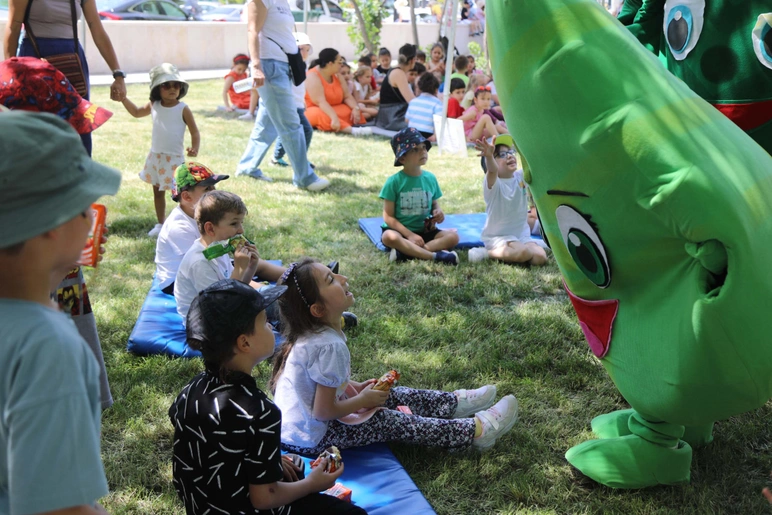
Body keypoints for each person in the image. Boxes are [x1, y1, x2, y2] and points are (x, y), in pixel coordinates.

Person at [271, 258, 519, 454]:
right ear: (318, 309)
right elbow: (323, 412)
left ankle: (455, 404)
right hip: (312, 438)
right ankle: (475, 431)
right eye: (331, 279)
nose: (343, 278)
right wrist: (362, 400)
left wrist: (357, 389)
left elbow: (320, 387)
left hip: (302, 430)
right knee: (386, 420)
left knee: (393, 395)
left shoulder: (315, 335)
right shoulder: (327, 345)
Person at [0, 112, 121, 515]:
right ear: (53, 223)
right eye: (84, 205)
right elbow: (62, 509)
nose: (91, 217)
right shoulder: (47, 347)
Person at [169, 279, 365, 515]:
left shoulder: (191, 390)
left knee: (294, 467)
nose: (272, 326)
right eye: (264, 322)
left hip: (203, 507)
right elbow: (264, 498)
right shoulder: (260, 412)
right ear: (244, 342)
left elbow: (214, 449)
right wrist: (314, 484)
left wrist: (269, 463)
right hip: (248, 508)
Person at [3, 0, 127, 156]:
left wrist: (117, 73)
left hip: (72, 62)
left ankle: (79, 176)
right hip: (34, 62)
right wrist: (11, 72)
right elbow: (13, 26)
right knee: (35, 130)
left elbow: (96, 28)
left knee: (78, 127)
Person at [236, 0, 329, 191]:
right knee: (291, 125)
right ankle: (305, 178)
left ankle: (246, 168)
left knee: (266, 125)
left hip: (282, 66)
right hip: (269, 66)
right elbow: (252, 31)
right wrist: (255, 66)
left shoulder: (284, 2)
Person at [120, 63, 200, 237]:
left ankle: (189, 221)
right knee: (158, 193)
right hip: (156, 157)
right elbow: (136, 112)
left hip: (174, 159)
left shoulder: (183, 108)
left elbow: (194, 131)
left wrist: (195, 147)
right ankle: (161, 223)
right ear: (157, 89)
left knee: (182, 194)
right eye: (166, 85)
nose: (172, 89)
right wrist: (124, 99)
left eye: (176, 85)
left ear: (181, 87)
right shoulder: (154, 105)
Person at [175, 190, 276, 322]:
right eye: (234, 224)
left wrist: (251, 267)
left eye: (241, 223)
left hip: (225, 311)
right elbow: (221, 305)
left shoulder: (219, 249)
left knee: (278, 298)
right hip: (207, 324)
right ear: (210, 229)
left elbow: (238, 289)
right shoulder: (200, 263)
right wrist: (239, 269)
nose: (241, 230)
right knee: (272, 311)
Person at [379, 128, 460, 265]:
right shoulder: (394, 182)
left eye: (424, 147)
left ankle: (407, 252)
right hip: (402, 233)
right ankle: (434, 256)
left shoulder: (430, 178)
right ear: (402, 157)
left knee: (453, 237)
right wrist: (409, 235)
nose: (423, 151)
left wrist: (438, 212)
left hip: (426, 232)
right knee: (388, 237)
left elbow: (434, 203)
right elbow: (388, 217)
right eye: (415, 149)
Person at [469, 135, 548, 265]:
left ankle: (519, 252)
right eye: (501, 154)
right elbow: (492, 170)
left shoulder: (519, 177)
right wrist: (489, 156)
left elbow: (534, 163)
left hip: (521, 235)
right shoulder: (494, 184)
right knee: (524, 253)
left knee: (540, 258)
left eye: (510, 152)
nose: (510, 156)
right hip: (498, 237)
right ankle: (485, 253)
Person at [154, 162, 229, 295]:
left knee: (254, 262)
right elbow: (199, 263)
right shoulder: (178, 227)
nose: (215, 193)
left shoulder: (203, 214)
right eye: (207, 189)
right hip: (176, 281)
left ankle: (279, 277)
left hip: (202, 265)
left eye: (213, 187)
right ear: (187, 196)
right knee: (237, 274)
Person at [271, 32, 315, 168]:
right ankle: (299, 160)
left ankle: (277, 157)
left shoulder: (303, 65)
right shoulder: (287, 64)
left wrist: (303, 102)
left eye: (307, 49)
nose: (305, 52)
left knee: (288, 131)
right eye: (301, 49)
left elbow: (300, 88)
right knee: (306, 130)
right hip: (290, 104)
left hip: (298, 104)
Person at [305, 48, 370, 135]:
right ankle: (352, 130)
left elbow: (347, 96)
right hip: (315, 109)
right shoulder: (312, 76)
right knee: (319, 113)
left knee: (348, 110)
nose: (341, 65)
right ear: (330, 64)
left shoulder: (338, 75)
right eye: (339, 62)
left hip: (335, 108)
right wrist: (334, 117)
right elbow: (320, 102)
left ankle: (336, 122)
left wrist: (355, 108)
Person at [375, 43, 417, 132]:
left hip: (392, 113)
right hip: (392, 117)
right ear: (413, 60)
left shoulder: (397, 71)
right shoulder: (398, 73)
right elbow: (412, 101)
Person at [405, 72, 442, 140]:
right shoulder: (437, 102)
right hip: (428, 134)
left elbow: (407, 119)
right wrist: (435, 136)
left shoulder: (413, 101)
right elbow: (439, 121)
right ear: (436, 90)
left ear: (419, 87)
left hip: (412, 133)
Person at [222, 53, 259, 119]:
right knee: (251, 100)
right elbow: (224, 91)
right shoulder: (231, 76)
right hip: (238, 99)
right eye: (239, 69)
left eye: (244, 70)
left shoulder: (244, 74)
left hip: (246, 95)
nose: (241, 72)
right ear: (234, 65)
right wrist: (227, 106)